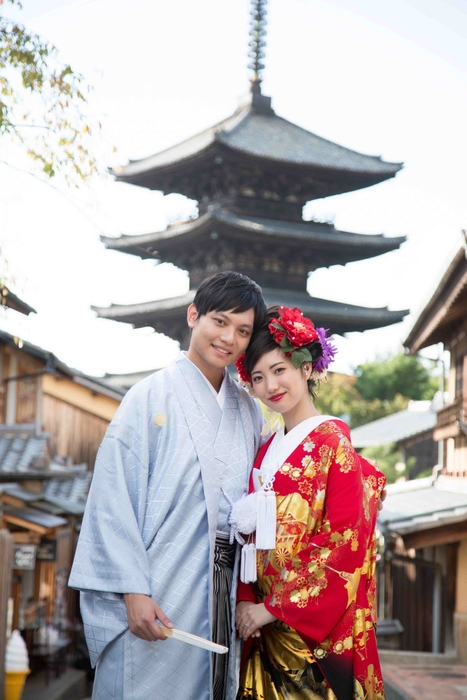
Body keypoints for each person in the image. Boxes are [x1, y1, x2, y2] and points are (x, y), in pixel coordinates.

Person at [68, 271, 267, 700]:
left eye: (243, 330)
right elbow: (112, 502)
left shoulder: (249, 411)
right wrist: (132, 590)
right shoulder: (148, 397)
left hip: (223, 588)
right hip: (158, 582)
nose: (228, 338)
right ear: (194, 315)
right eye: (220, 321)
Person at [230, 306, 386, 700]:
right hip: (262, 628)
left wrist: (271, 608)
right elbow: (246, 533)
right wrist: (246, 602)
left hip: (309, 634)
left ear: (306, 367)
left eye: (279, 369)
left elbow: (343, 539)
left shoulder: (333, 443)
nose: (270, 386)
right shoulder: (265, 448)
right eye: (258, 377)